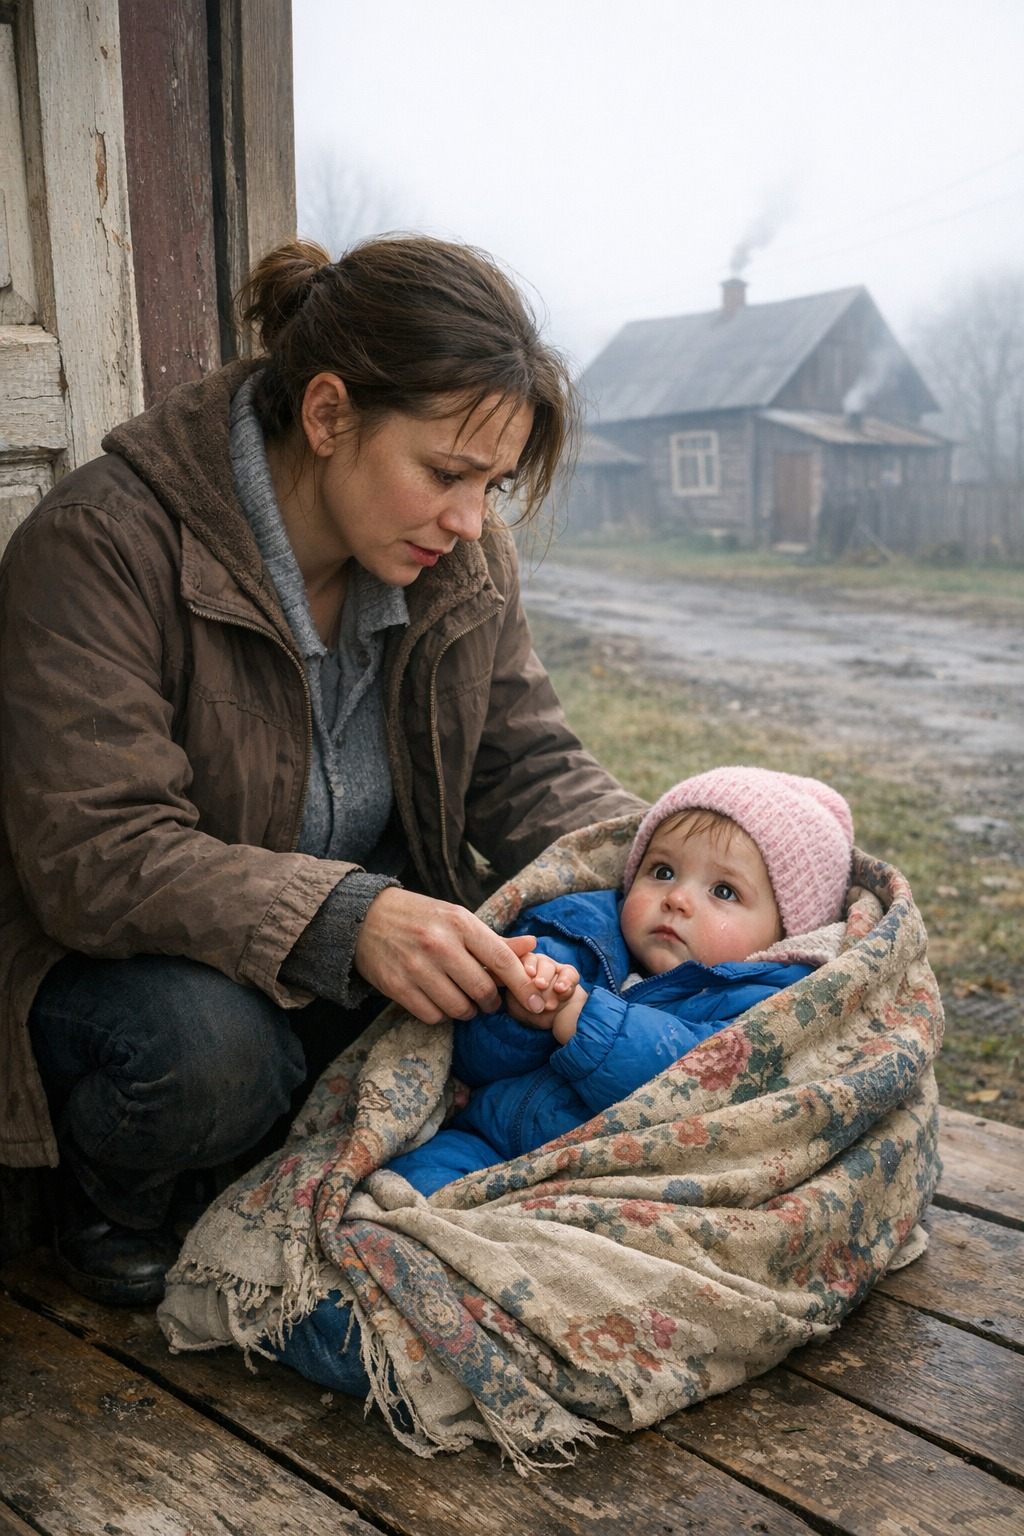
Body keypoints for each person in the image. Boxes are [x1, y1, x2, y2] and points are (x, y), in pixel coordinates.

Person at [0, 235, 644, 1306]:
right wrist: (351, 918)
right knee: (213, 1057)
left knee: (526, 1006)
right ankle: (110, 1197)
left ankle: (281, 1168)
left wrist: (697, 851)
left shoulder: (462, 562)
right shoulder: (101, 545)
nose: (469, 520)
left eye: (491, 485)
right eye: (444, 473)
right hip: (122, 967)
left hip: (337, 958)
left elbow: (529, 767)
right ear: (330, 414)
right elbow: (96, 852)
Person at [270, 764, 855, 1394]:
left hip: (602, 1188)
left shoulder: (762, 1001)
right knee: (392, 1201)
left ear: (785, 933)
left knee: (548, 1269)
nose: (678, 898)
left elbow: (689, 1084)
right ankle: (353, 1287)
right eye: (662, 872)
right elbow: (469, 1059)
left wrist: (582, 1018)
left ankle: (428, 1343)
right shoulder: (579, 934)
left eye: (723, 893)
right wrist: (521, 1011)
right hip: (489, 1141)